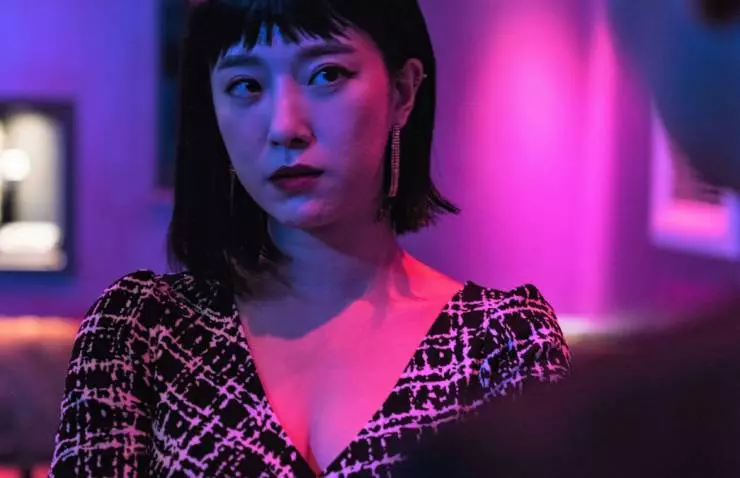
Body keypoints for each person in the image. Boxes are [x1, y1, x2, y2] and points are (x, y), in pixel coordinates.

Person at [48, 0, 571, 476]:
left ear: (403, 91)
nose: (284, 127)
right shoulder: (141, 330)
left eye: (327, 74)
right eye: (246, 85)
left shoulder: (501, 345)